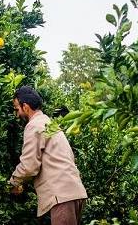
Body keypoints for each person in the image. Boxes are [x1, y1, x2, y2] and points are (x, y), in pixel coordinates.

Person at [9, 86, 87, 225]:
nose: (17, 114)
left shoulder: (34, 126)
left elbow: (29, 165)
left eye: (17, 109)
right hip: (74, 192)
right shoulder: (50, 123)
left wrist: (14, 182)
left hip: (62, 196)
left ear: (25, 106)